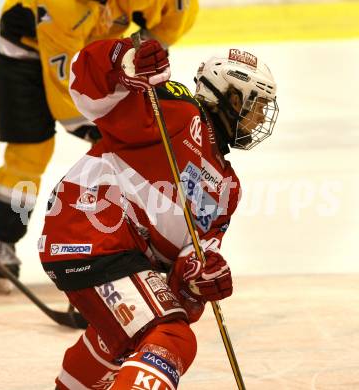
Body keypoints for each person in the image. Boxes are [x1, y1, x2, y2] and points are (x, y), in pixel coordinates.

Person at [38, 38, 279, 389]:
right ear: (230, 97)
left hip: (116, 253)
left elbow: (186, 267)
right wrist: (123, 61)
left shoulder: (228, 187)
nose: (259, 117)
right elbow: (89, 90)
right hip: (88, 233)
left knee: (120, 338)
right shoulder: (176, 109)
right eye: (256, 104)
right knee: (172, 336)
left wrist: (203, 276)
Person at [0, 0, 199, 293]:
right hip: (24, 54)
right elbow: (63, 89)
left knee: (128, 148)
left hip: (91, 53)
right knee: (30, 152)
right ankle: (3, 238)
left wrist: (144, 50)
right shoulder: (61, 6)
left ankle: (136, 245)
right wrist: (102, 128)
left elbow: (178, 11)